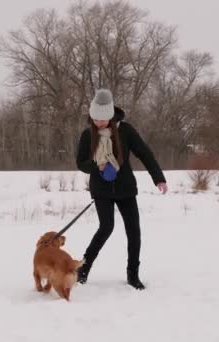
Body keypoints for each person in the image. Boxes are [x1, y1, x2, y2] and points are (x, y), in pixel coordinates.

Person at [76, 88, 168, 290]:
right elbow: (80, 163)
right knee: (106, 227)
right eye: (95, 119)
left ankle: (133, 274)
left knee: (134, 231)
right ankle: (82, 269)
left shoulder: (126, 131)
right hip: (101, 189)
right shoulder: (87, 135)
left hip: (125, 188)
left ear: (110, 114)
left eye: (102, 119)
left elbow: (144, 153)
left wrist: (158, 178)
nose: (98, 122)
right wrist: (97, 166)